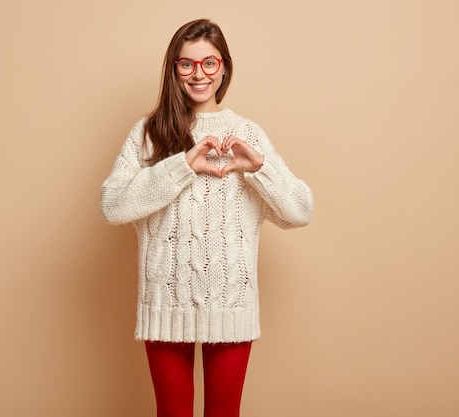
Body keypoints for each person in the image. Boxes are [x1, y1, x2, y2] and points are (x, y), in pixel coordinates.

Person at [100, 18, 313, 417]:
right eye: (186, 64)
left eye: (209, 63)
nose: (198, 74)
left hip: (231, 306)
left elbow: (300, 211)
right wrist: (183, 166)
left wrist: (259, 168)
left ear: (224, 68)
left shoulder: (248, 134)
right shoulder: (150, 133)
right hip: (165, 305)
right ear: (173, 69)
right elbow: (113, 205)